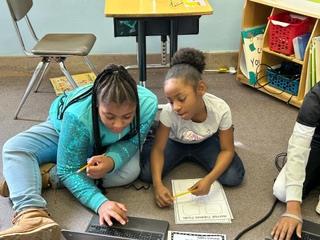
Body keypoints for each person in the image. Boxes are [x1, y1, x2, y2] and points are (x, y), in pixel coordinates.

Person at [0, 64, 158, 239]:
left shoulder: (148, 103)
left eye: (127, 117)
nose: (119, 125)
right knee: (14, 148)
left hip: (100, 145)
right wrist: (101, 203)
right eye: (110, 116)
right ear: (97, 105)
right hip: (70, 131)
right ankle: (31, 214)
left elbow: (133, 141)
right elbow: (68, 170)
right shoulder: (77, 115)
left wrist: (112, 160)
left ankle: (41, 176)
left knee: (130, 172)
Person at [139, 48, 245, 208]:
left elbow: (227, 150)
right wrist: (157, 185)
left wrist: (209, 180)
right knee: (147, 174)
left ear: (201, 89)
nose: (176, 107)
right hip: (175, 141)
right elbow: (158, 150)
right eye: (170, 100)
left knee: (233, 177)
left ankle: (222, 132)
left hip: (206, 141)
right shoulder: (169, 112)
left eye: (181, 98)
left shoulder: (220, 109)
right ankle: (156, 130)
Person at [272, 82, 320, 240]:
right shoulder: (316, 97)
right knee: (282, 192)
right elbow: (298, 147)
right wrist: (293, 209)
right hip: (316, 143)